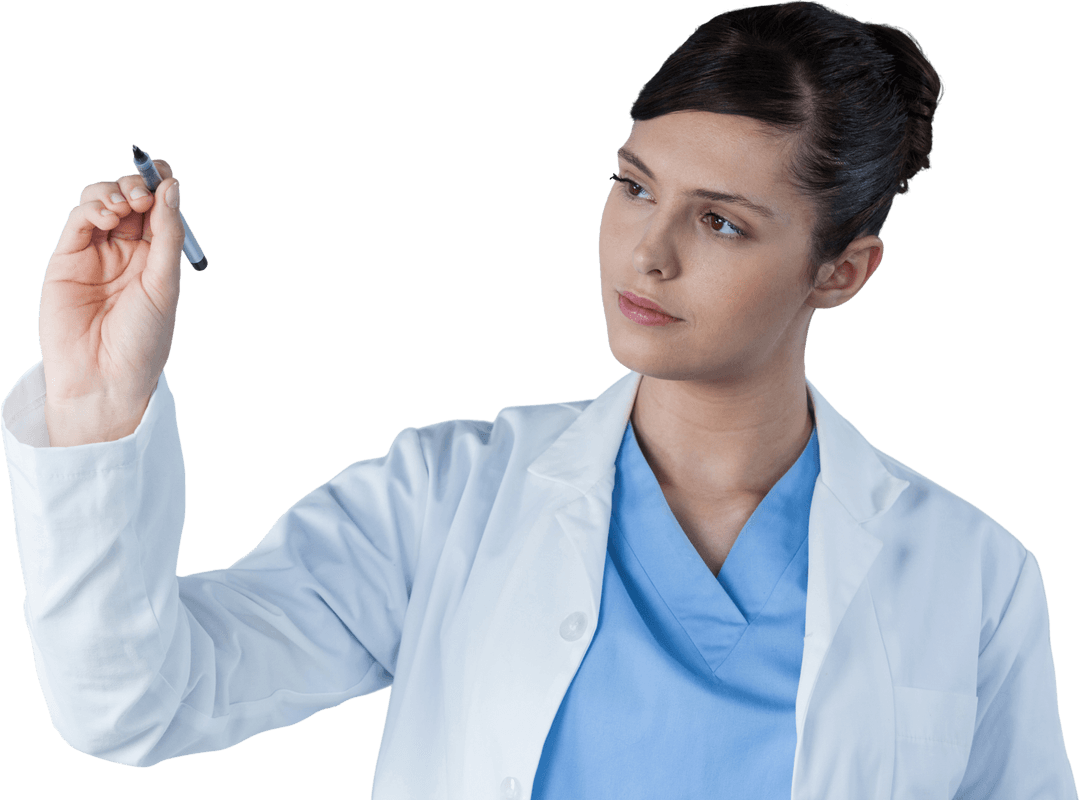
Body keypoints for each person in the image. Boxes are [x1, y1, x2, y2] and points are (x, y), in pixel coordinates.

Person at [1, 1, 1075, 797]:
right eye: (634, 183)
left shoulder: (971, 575)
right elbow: (133, 701)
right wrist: (101, 398)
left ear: (842, 272)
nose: (645, 253)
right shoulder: (448, 498)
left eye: (722, 222)